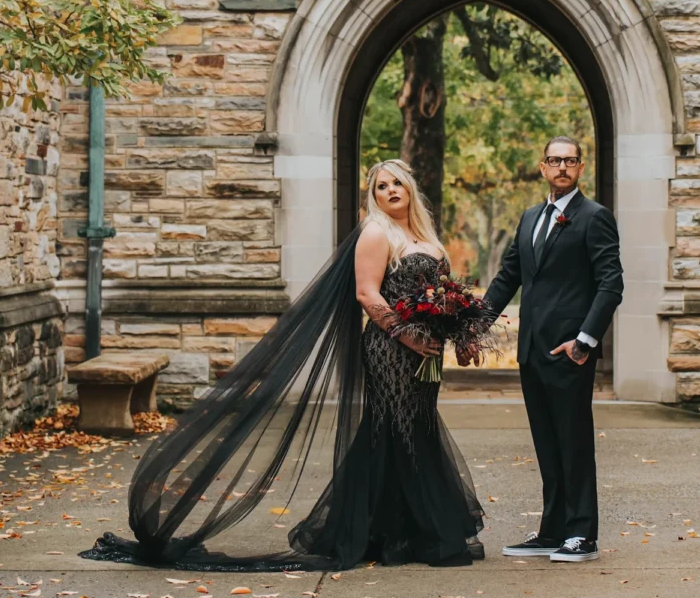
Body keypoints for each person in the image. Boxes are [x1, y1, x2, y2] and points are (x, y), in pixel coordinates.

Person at [82, 159, 484, 570]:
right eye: (381, 187)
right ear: (374, 196)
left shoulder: (430, 240)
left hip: (428, 353)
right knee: (396, 426)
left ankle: (394, 529)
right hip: (390, 349)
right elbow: (367, 295)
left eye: (398, 183)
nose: (391, 191)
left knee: (416, 424)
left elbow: (443, 299)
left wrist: (460, 336)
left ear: (411, 188)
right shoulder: (377, 233)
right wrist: (407, 335)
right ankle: (412, 533)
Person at [467, 135, 623, 563]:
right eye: (555, 160)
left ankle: (582, 535)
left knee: (573, 441)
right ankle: (553, 531)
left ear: (580, 167)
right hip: (532, 350)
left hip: (569, 351)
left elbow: (612, 284)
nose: (562, 168)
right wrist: (472, 325)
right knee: (547, 444)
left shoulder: (595, 217)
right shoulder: (530, 217)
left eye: (570, 161)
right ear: (542, 166)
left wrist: (586, 341)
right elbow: (508, 277)